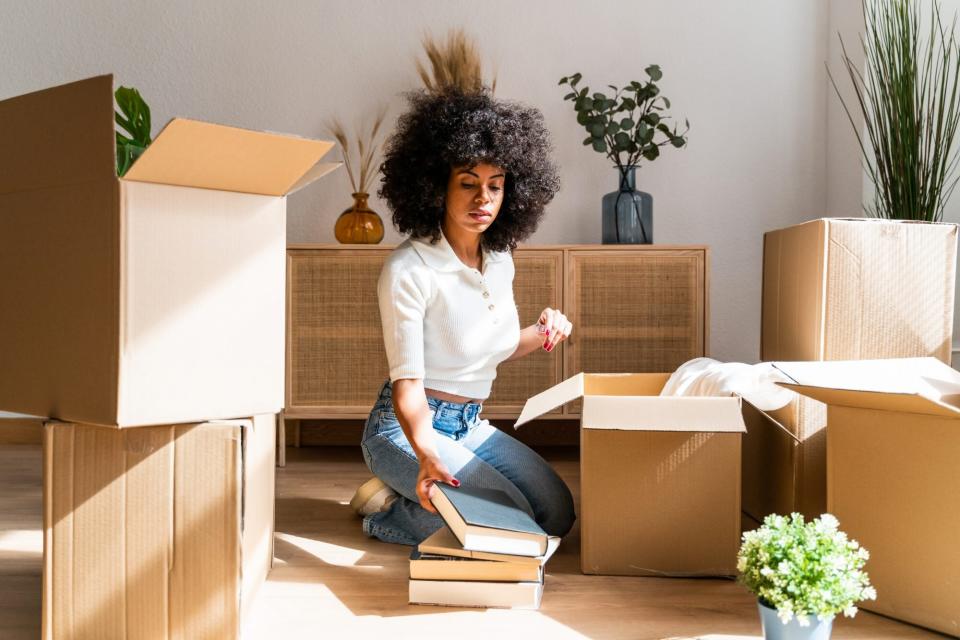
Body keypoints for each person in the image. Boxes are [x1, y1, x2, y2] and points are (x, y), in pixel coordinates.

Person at [349, 86, 577, 546]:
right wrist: (428, 453)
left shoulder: (499, 259)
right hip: (405, 430)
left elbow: (489, 348)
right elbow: (407, 385)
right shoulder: (408, 269)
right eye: (468, 183)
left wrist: (544, 329)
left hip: (469, 425)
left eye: (495, 186)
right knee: (512, 522)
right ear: (438, 186)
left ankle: (416, 499)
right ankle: (388, 510)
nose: (484, 199)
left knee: (556, 515)